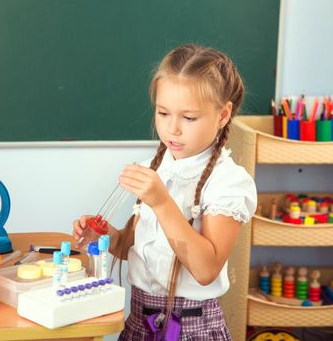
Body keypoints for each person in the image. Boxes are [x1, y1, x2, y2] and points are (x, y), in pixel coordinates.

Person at [73, 44, 257, 340]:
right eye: (163, 113)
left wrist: (161, 201)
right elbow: (127, 248)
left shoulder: (229, 182)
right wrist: (105, 235)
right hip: (138, 323)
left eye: (189, 118)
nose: (173, 129)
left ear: (223, 115)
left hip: (193, 328)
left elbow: (205, 268)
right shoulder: (154, 169)